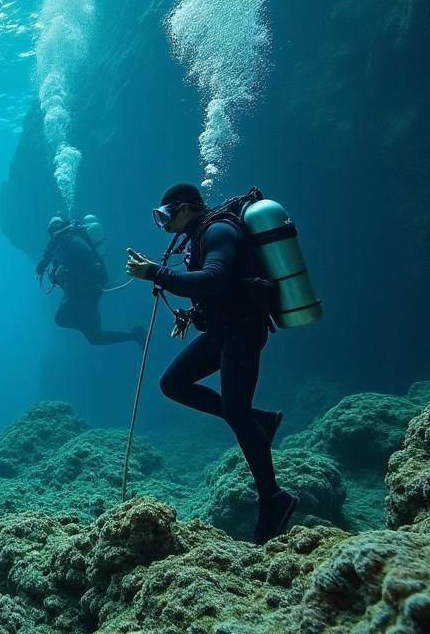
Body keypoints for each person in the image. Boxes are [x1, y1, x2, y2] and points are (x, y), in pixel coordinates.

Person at [125, 183, 296, 543]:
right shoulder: (196, 237)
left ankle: (274, 500)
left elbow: (215, 278)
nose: (164, 224)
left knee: (236, 413)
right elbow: (213, 287)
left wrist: (156, 273)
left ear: (186, 209)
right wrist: (191, 313)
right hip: (221, 329)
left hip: (243, 331)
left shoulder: (218, 231)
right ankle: (260, 420)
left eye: (166, 216)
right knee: (172, 384)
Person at [38, 216, 145, 347]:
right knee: (94, 337)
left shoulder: (75, 243)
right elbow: (52, 267)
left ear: (63, 226)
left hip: (86, 293)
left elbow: (88, 264)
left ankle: (135, 335)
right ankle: (136, 335)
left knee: (62, 319)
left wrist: (67, 274)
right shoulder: (60, 246)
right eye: (52, 228)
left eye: (57, 226)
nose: (55, 231)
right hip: (82, 293)